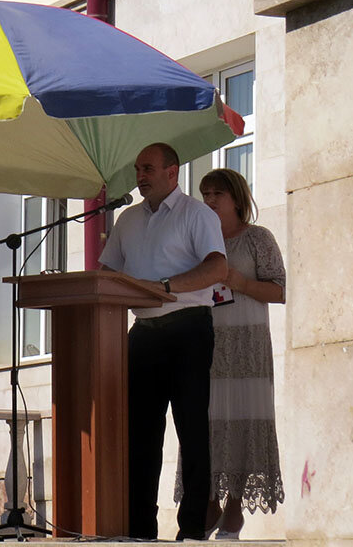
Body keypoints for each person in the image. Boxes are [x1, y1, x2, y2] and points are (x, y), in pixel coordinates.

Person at [99, 143, 227, 541]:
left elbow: (217, 266)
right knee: (139, 435)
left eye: (149, 169)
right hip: (143, 335)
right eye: (138, 168)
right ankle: (140, 529)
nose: (141, 176)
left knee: (191, 430)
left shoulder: (196, 214)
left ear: (172, 172)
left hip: (188, 328)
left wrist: (165, 287)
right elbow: (106, 272)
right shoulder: (127, 220)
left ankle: (191, 529)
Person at [177, 167, 286, 540]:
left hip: (247, 346)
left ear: (236, 199)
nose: (208, 201)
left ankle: (235, 506)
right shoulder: (198, 242)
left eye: (216, 194)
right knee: (204, 423)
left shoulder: (258, 239)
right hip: (206, 343)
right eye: (204, 193)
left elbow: (281, 290)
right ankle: (207, 500)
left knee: (243, 419)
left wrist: (240, 281)